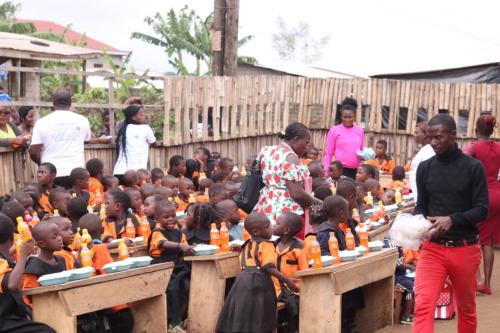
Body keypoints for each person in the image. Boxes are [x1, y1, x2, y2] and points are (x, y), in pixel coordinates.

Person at [412, 114, 488, 333]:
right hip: (433, 250)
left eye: (438, 137)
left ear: (453, 136)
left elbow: (481, 209)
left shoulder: (473, 168)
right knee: (423, 305)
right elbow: (421, 207)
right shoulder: (425, 168)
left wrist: (452, 220)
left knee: (466, 308)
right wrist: (419, 225)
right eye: (430, 138)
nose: (433, 143)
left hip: (465, 249)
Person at [216, 213, 298, 333]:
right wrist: (287, 280)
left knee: (243, 312)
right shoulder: (267, 245)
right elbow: (267, 267)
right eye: (267, 226)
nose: (271, 228)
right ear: (255, 232)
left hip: (241, 281)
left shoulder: (247, 243)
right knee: (260, 314)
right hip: (259, 281)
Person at [30, 89, 108, 188]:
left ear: (53, 103)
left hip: (52, 174)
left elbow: (33, 152)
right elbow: (87, 140)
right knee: (75, 201)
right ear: (70, 103)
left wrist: (42, 163)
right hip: (76, 174)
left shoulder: (42, 122)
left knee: (55, 201)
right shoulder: (82, 120)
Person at [255, 122, 322, 229]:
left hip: (266, 205)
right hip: (287, 212)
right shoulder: (291, 157)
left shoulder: (266, 150)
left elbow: (254, 173)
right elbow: (296, 194)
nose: (307, 148)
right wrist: (318, 202)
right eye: (306, 143)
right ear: (296, 140)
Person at [463, 113, 500, 295]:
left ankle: (477, 280)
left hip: (480, 196)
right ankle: (487, 283)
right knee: (489, 241)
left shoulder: (474, 147)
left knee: (473, 238)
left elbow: (461, 162)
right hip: (497, 195)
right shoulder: (499, 147)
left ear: (476, 130)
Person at [0, 214, 56, 333]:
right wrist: (23, 255)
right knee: (46, 331)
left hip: (10, 318)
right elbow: (11, 285)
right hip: (4, 321)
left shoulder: (6, 260)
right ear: (12, 239)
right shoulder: (2, 262)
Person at [317, 195, 363, 332]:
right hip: (331, 274)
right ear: (341, 213)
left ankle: (350, 323)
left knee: (355, 288)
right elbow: (325, 254)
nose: (349, 214)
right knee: (349, 297)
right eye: (347, 211)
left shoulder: (337, 228)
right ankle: (348, 325)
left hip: (341, 270)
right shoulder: (327, 232)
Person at [148, 199, 194, 327]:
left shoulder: (179, 233)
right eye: (166, 217)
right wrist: (180, 245)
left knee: (189, 287)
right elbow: (162, 243)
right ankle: (172, 322)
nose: (171, 219)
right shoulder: (157, 233)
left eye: (173, 216)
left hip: (178, 269)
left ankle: (180, 318)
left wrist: (190, 248)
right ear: (157, 218)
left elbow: (185, 247)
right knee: (172, 291)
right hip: (163, 270)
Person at [272, 213, 308, 333]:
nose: (273, 225)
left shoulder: (299, 248)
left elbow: (305, 271)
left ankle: (294, 329)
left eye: (277, 223)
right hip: (274, 288)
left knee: (293, 308)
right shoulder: (273, 245)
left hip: (293, 290)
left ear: (286, 230)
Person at [323, 97, 365, 179]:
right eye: (345, 117)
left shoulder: (360, 130)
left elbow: (362, 151)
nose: (348, 119)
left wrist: (367, 155)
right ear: (341, 117)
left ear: (355, 116)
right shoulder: (334, 130)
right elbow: (328, 153)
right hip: (339, 170)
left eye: (350, 117)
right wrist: (326, 171)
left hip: (356, 171)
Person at [113, 105, 157, 178]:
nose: (144, 116)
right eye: (141, 114)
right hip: (135, 174)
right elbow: (154, 143)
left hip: (119, 172)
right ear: (133, 117)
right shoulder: (145, 128)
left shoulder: (123, 129)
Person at [409, 122, 435, 200]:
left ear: (425, 134)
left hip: (423, 193)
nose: (414, 135)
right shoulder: (424, 149)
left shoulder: (429, 150)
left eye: (417, 133)